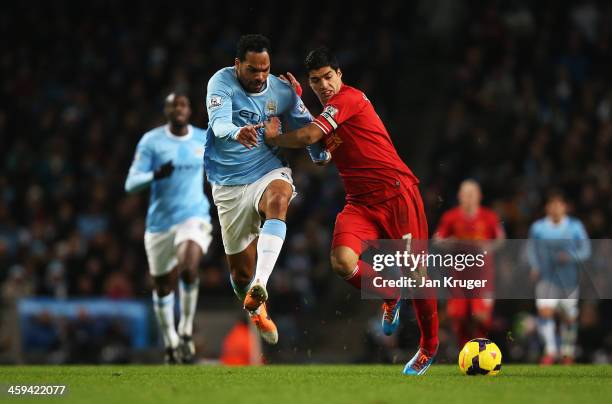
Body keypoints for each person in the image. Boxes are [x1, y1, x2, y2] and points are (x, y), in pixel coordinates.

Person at [263, 47, 439, 375]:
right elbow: (322, 155)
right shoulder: (330, 112)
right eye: (316, 80)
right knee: (342, 262)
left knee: (417, 275)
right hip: (359, 203)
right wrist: (297, 102)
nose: (324, 84)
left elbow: (311, 134)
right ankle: (389, 293)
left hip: (397, 196)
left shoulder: (350, 99)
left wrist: (273, 139)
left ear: (340, 75)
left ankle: (429, 347)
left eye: (328, 77)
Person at [205, 34, 329, 345]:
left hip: (268, 170)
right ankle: (256, 303)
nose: (260, 77)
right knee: (240, 276)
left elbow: (306, 126)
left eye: (265, 69)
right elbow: (219, 124)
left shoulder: (282, 90)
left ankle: (262, 283)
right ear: (237, 65)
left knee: (279, 197)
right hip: (229, 184)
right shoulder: (220, 82)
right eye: (252, 70)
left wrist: (319, 154)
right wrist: (237, 132)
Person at [125, 93, 212, 364]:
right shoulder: (151, 141)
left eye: (183, 104)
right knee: (163, 286)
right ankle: (171, 342)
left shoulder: (202, 138)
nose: (178, 109)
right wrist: (154, 175)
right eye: (173, 105)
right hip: (160, 224)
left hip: (194, 216)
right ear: (166, 110)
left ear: (190, 110)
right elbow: (130, 184)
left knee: (188, 267)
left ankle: (186, 328)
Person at [434, 179, 505, 346]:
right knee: (459, 316)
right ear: (459, 196)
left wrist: (487, 246)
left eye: (472, 194)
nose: (469, 198)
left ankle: (482, 351)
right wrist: (449, 242)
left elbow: (501, 240)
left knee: (481, 317)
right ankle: (464, 353)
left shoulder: (489, 217)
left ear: (479, 196)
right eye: (465, 194)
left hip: (483, 277)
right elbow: (437, 240)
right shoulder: (450, 217)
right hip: (459, 277)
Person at [528, 191, 590, 365]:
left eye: (559, 204)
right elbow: (531, 249)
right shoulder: (538, 227)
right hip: (546, 277)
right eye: (552, 204)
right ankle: (550, 351)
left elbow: (586, 250)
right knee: (545, 311)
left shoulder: (575, 226)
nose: (555, 208)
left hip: (568, 279)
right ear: (547, 207)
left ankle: (567, 352)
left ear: (565, 207)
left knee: (568, 317)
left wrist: (570, 257)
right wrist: (534, 266)